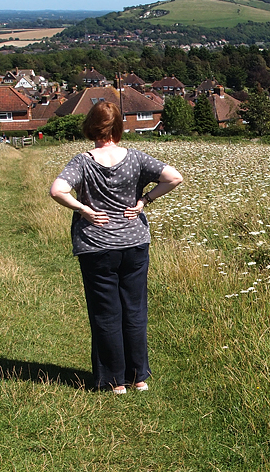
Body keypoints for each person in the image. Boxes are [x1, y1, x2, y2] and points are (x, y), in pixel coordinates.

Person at [49, 101, 182, 394]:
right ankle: (139, 377)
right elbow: (174, 177)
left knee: (105, 313)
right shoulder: (135, 158)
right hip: (134, 243)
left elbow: (57, 190)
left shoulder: (82, 161)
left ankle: (114, 382)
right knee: (134, 310)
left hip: (96, 247)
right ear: (118, 127)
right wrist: (145, 200)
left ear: (91, 127)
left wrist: (84, 209)